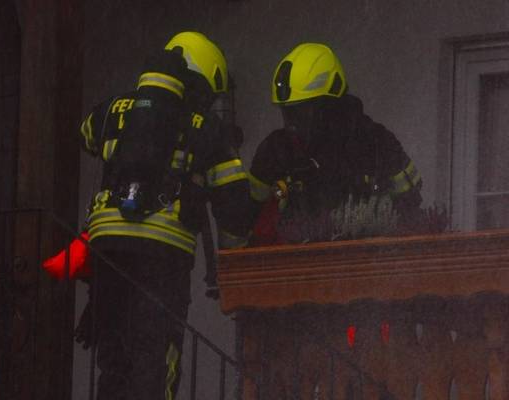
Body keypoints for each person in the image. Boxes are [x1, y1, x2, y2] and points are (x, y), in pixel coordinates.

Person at [78, 31, 251, 399]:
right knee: (158, 356)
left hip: (108, 252)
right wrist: (234, 266)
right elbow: (234, 205)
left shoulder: (115, 109)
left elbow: (87, 134)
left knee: (113, 358)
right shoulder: (208, 128)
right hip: (162, 256)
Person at [249, 43, 422, 245]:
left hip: (366, 259)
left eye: (300, 112)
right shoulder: (276, 150)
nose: (291, 123)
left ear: (329, 105)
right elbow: (247, 216)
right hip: (296, 260)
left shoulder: (377, 143)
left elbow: (410, 209)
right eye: (286, 112)